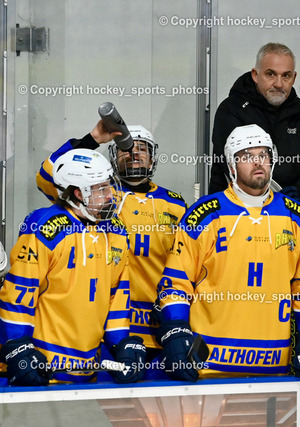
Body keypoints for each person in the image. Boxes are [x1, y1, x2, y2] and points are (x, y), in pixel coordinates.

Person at [156, 124, 300, 381]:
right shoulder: (204, 214)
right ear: (231, 165)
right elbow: (176, 282)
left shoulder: (296, 217)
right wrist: (176, 329)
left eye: (263, 154)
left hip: (274, 366)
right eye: (247, 156)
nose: (258, 162)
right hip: (209, 367)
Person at [36, 121, 187, 364]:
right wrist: (93, 139)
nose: (134, 154)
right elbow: (45, 177)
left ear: (152, 158)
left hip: (160, 327)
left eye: (142, 149)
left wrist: (178, 317)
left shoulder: (176, 204)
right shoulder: (99, 196)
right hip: (109, 328)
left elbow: (187, 265)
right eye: (125, 149)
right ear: (113, 158)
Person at [0, 149, 145, 385]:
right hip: (43, 369)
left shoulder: (116, 231)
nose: (110, 194)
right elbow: (19, 294)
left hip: (88, 371)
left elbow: (117, 296)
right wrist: (18, 347)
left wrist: (122, 344)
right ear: (78, 193)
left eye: (109, 186)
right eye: (101, 189)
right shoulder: (46, 227)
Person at [208, 42, 300, 209]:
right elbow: (243, 174)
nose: (278, 83)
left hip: (292, 218)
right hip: (233, 214)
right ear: (255, 75)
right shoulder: (231, 110)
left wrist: (297, 191)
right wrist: (299, 169)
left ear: (294, 78)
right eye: (270, 74)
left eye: (286, 76)